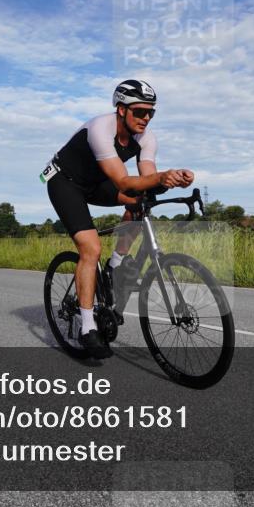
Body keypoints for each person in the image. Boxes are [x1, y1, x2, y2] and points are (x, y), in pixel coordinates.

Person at [43, 79, 194, 358]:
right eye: (140, 111)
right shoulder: (100, 129)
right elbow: (124, 181)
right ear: (121, 110)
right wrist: (160, 178)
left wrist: (172, 180)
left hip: (97, 183)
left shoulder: (146, 138)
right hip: (65, 182)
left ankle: (115, 265)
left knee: (139, 203)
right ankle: (87, 327)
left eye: (150, 112)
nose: (146, 118)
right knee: (91, 248)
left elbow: (147, 178)